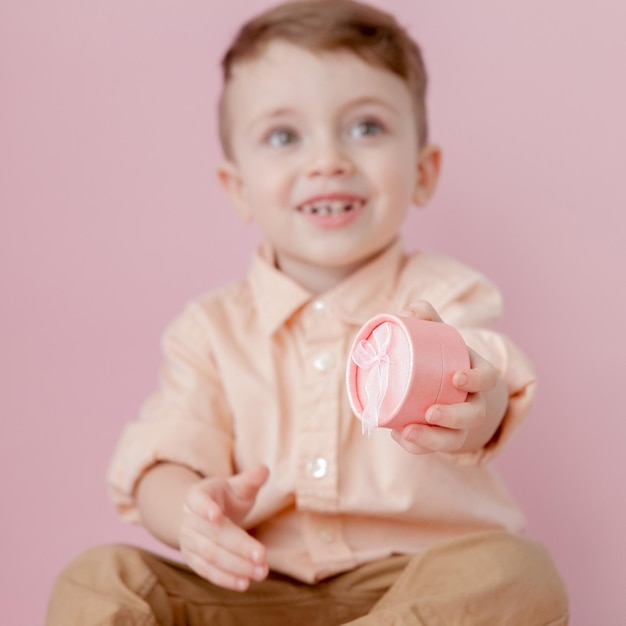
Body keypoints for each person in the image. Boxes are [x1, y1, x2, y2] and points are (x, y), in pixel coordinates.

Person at [47, 1, 569, 624]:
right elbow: (164, 455)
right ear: (238, 187)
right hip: (255, 591)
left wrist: (473, 408)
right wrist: (191, 511)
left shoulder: (446, 295)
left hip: (413, 587)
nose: (328, 160)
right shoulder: (210, 330)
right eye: (284, 136)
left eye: (366, 127)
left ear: (423, 171)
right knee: (99, 581)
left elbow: (490, 382)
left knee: (516, 575)